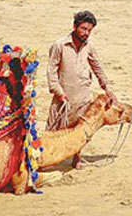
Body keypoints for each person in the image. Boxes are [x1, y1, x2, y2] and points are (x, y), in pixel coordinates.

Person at [46, 11, 118, 169]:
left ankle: (76, 158)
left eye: (89, 30)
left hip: (83, 94)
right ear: (74, 27)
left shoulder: (89, 46)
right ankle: (46, 160)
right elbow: (51, 71)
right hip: (63, 95)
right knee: (53, 130)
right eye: (83, 29)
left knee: (81, 128)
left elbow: (97, 67)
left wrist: (107, 88)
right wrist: (58, 91)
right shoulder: (59, 45)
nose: (86, 33)